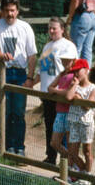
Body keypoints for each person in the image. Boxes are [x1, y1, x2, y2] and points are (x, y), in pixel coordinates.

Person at [0, 0, 37, 153]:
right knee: (3, 110)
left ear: (18, 11)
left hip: (19, 73)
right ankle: (6, 147)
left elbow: (32, 54)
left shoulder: (25, 28)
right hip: (2, 71)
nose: (10, 14)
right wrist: (1, 56)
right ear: (2, 11)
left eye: (13, 10)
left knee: (19, 111)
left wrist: (30, 78)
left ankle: (19, 147)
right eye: (7, 10)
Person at [30, 16, 78, 166]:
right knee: (50, 125)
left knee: (61, 128)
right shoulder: (47, 46)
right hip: (46, 93)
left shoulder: (68, 46)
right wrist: (31, 83)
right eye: (49, 28)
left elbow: (71, 69)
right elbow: (42, 70)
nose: (51, 31)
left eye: (54, 28)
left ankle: (66, 160)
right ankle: (50, 157)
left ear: (62, 30)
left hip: (59, 94)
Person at [62, 59, 95, 179]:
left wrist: (78, 98)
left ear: (86, 70)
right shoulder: (75, 86)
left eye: (78, 71)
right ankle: (81, 170)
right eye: (74, 72)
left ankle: (87, 175)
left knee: (87, 150)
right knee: (72, 151)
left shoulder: (93, 88)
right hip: (74, 122)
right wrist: (74, 86)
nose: (76, 74)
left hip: (86, 123)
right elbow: (68, 97)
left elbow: (88, 105)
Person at [45, 58, 84, 165]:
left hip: (69, 112)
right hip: (60, 112)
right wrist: (59, 91)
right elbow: (49, 88)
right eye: (63, 61)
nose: (64, 63)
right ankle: (73, 160)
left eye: (67, 61)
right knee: (54, 142)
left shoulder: (73, 76)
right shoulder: (62, 74)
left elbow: (68, 94)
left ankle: (73, 166)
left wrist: (56, 91)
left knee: (69, 142)